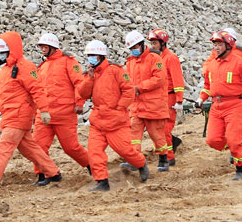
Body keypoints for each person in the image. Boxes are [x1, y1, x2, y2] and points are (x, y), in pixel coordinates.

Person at [0, 32, 61, 187]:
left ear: (11, 50)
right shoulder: (6, 70)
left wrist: (44, 110)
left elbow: (37, 90)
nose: (1, 55)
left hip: (19, 116)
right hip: (10, 115)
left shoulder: (26, 67)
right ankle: (53, 173)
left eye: (4, 52)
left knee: (4, 145)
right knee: (30, 150)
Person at [78, 40, 149, 191]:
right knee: (94, 152)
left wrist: (119, 108)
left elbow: (128, 90)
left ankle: (141, 164)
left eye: (93, 55)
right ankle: (102, 182)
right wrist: (89, 78)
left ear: (101, 56)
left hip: (116, 121)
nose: (91, 58)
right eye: (89, 55)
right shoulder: (91, 74)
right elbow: (83, 93)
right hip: (98, 121)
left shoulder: (115, 70)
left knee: (126, 151)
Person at [197, 30, 242, 180]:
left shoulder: (239, 62)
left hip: (234, 105)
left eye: (219, 44)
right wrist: (201, 99)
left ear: (228, 45)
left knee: (234, 140)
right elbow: (207, 86)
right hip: (216, 106)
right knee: (212, 140)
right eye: (214, 44)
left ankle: (240, 169)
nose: (216, 47)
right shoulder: (212, 64)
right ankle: (232, 147)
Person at [32, 33, 89, 184]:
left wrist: (80, 103)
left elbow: (80, 83)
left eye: (45, 47)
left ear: (53, 47)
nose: (42, 49)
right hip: (44, 115)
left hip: (65, 114)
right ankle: (45, 174)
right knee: (38, 146)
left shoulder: (68, 62)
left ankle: (93, 165)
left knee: (71, 148)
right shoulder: (42, 67)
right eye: (41, 47)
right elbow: (36, 90)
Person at [121, 31, 169, 173]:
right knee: (133, 135)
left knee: (157, 135)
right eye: (131, 48)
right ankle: (135, 160)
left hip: (153, 105)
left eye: (135, 47)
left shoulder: (155, 58)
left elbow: (159, 79)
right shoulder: (130, 62)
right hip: (136, 106)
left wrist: (139, 88)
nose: (133, 50)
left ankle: (163, 159)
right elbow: (127, 81)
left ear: (142, 45)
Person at [147, 29, 184, 167]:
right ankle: (172, 143)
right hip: (158, 98)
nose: (152, 46)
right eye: (151, 43)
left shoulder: (171, 58)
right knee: (157, 128)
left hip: (170, 97)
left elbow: (178, 80)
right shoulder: (155, 58)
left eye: (155, 43)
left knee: (165, 129)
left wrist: (179, 100)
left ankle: (169, 157)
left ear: (163, 43)